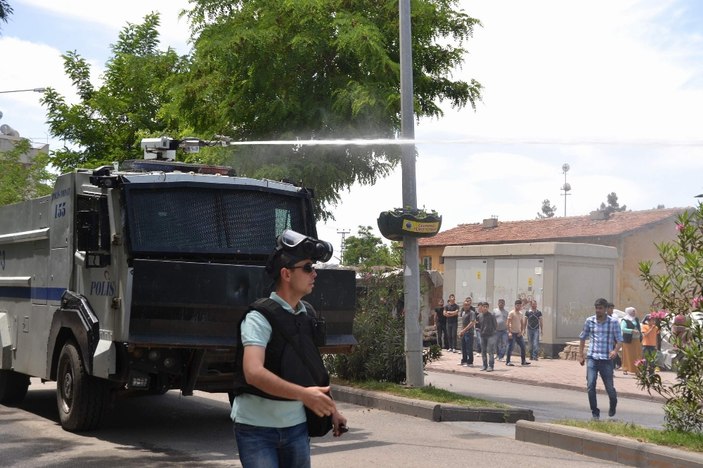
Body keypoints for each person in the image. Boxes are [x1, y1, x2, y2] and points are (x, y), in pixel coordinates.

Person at [231, 230, 347, 468]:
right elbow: (253, 372)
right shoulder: (258, 317)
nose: (314, 274)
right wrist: (305, 395)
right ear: (286, 273)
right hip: (256, 430)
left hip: (296, 428)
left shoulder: (307, 315)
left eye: (313, 267)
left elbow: (310, 368)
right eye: (307, 268)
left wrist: (330, 408)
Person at [578, 298, 623, 421]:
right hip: (592, 358)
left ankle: (613, 403)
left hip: (606, 360)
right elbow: (582, 337)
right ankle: (595, 412)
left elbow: (619, 340)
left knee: (609, 387)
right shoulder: (590, 321)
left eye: (601, 308)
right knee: (590, 385)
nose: (598, 311)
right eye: (596, 308)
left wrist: (615, 351)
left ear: (606, 309)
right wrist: (580, 354)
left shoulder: (613, 322)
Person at [505, 299, 531, 366]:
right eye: (517, 305)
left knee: (523, 346)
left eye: (520, 305)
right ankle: (508, 361)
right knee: (510, 347)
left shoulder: (520, 314)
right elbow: (508, 323)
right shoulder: (511, 313)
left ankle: (523, 361)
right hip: (512, 333)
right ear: (515, 305)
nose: (519, 307)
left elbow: (522, 323)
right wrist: (509, 332)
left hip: (518, 333)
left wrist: (521, 331)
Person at [620, 306, 643, 375]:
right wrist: (631, 331)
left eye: (634, 311)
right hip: (628, 340)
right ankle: (625, 368)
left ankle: (637, 369)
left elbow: (639, 328)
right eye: (632, 312)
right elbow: (623, 329)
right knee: (627, 355)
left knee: (637, 354)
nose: (634, 313)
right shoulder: (625, 320)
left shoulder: (636, 319)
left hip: (636, 339)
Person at [478, 302, 498, 372]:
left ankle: (491, 366)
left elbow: (495, 325)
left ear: (488, 308)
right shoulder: (479, 316)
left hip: (490, 336)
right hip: (482, 336)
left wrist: (493, 333)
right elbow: (478, 326)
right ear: (482, 307)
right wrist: (480, 332)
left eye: (487, 307)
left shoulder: (492, 315)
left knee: (490, 351)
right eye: (484, 307)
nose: (485, 308)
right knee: (483, 351)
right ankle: (484, 365)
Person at [458, 298, 477, 367]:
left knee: (469, 348)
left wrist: (464, 330)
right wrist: (461, 331)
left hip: (469, 332)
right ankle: (464, 360)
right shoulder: (463, 312)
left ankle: (470, 362)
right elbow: (462, 323)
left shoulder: (472, 313)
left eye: (468, 305)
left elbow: (472, 323)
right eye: (465, 305)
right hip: (463, 332)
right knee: (463, 347)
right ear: (463, 305)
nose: (466, 306)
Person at [606, 302, 622, 369]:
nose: (612, 310)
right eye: (611, 308)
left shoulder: (613, 318)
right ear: (607, 309)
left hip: (612, 340)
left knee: (612, 354)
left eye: (613, 308)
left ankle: (611, 369)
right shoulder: (604, 318)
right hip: (606, 340)